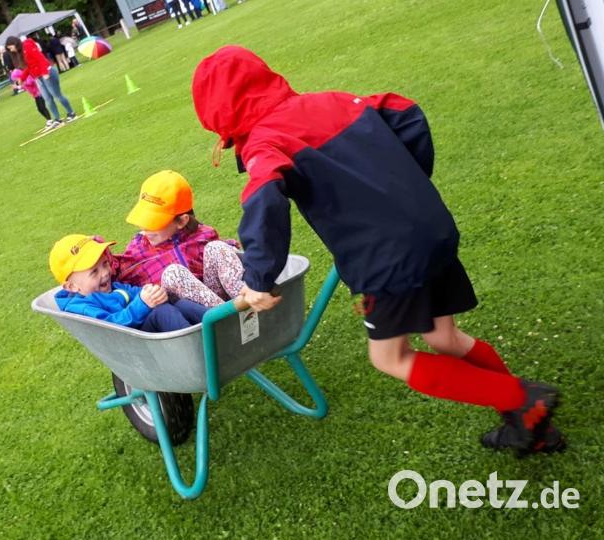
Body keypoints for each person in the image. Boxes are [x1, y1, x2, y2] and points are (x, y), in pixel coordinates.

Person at [191, 45, 564, 454]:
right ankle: (531, 426)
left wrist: (258, 278)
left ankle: (525, 400)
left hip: (387, 258)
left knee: (390, 357)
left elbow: (264, 197)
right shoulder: (332, 100)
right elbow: (405, 112)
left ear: (223, 119)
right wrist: (406, 188)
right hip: (429, 228)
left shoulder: (265, 140)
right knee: (445, 337)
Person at [117, 171, 244, 308]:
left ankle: (249, 306)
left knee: (217, 248)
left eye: (154, 222)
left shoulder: (202, 236)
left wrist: (229, 250)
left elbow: (223, 259)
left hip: (216, 301)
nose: (146, 228)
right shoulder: (139, 249)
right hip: (181, 311)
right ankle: (229, 320)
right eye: (144, 220)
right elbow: (114, 271)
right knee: (174, 274)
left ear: (182, 221)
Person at [50, 234, 207, 332]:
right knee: (163, 312)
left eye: (105, 264)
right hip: (136, 340)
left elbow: (135, 292)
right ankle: (199, 350)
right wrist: (142, 304)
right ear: (71, 286)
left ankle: (221, 327)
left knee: (180, 304)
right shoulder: (82, 307)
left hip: (146, 329)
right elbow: (112, 327)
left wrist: (150, 292)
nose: (105, 273)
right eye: (94, 272)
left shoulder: (114, 288)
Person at [7, 35, 76, 130]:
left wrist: (45, 72)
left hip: (47, 73)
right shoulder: (21, 52)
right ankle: (57, 119)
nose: (11, 50)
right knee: (48, 99)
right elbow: (29, 67)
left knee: (57, 95)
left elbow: (40, 58)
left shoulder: (27, 44)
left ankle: (71, 113)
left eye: (10, 48)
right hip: (38, 77)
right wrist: (21, 79)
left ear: (14, 43)